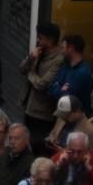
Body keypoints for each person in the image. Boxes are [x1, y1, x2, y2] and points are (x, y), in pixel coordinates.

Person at [20, 21, 66, 154]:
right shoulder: (38, 52)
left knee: (39, 147)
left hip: (43, 111)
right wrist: (31, 58)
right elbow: (22, 69)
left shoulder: (58, 59)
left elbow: (42, 84)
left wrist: (31, 73)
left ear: (50, 40)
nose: (38, 41)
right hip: (29, 106)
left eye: (40, 38)